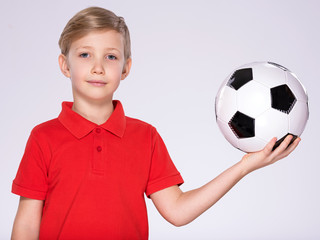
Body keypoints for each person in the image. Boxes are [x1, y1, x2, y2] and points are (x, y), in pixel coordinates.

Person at [11, 6, 300, 240]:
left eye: (110, 56)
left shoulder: (145, 137)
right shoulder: (43, 137)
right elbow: (26, 226)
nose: (98, 66)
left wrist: (244, 166)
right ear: (65, 64)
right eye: (85, 54)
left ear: (126, 67)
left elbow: (177, 211)